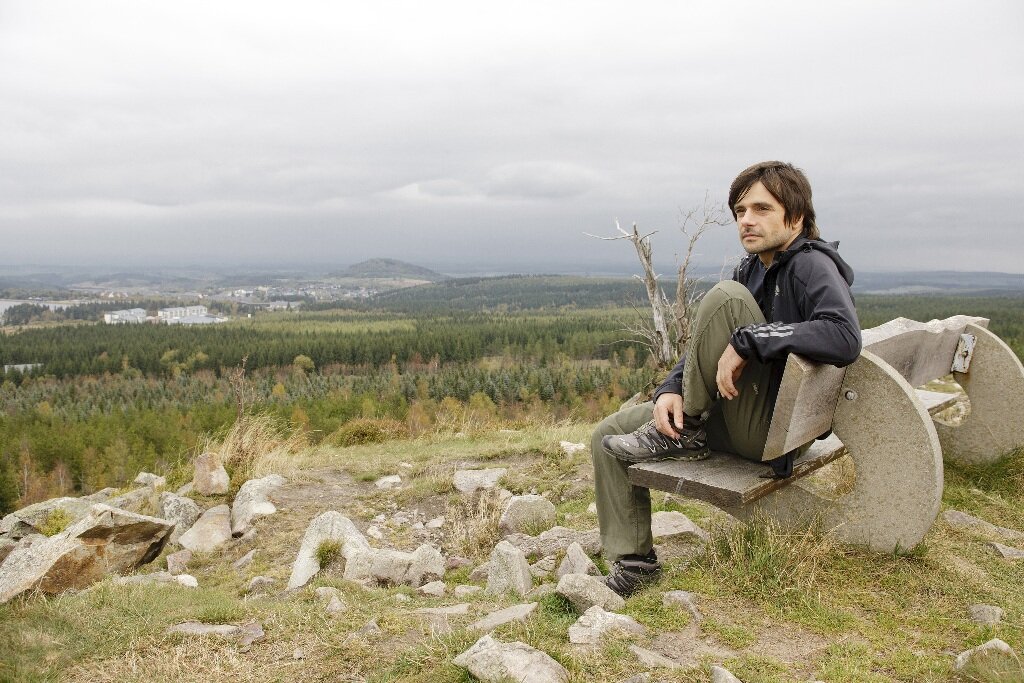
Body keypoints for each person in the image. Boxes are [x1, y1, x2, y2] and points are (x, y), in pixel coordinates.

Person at [592, 161, 862, 597]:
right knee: (607, 434)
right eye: (740, 211)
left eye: (761, 209)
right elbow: (705, 344)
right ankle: (635, 566)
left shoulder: (812, 265)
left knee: (725, 298)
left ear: (795, 216)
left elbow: (844, 336)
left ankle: (687, 429)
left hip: (776, 429)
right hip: (735, 413)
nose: (746, 220)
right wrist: (671, 389)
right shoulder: (751, 269)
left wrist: (751, 339)